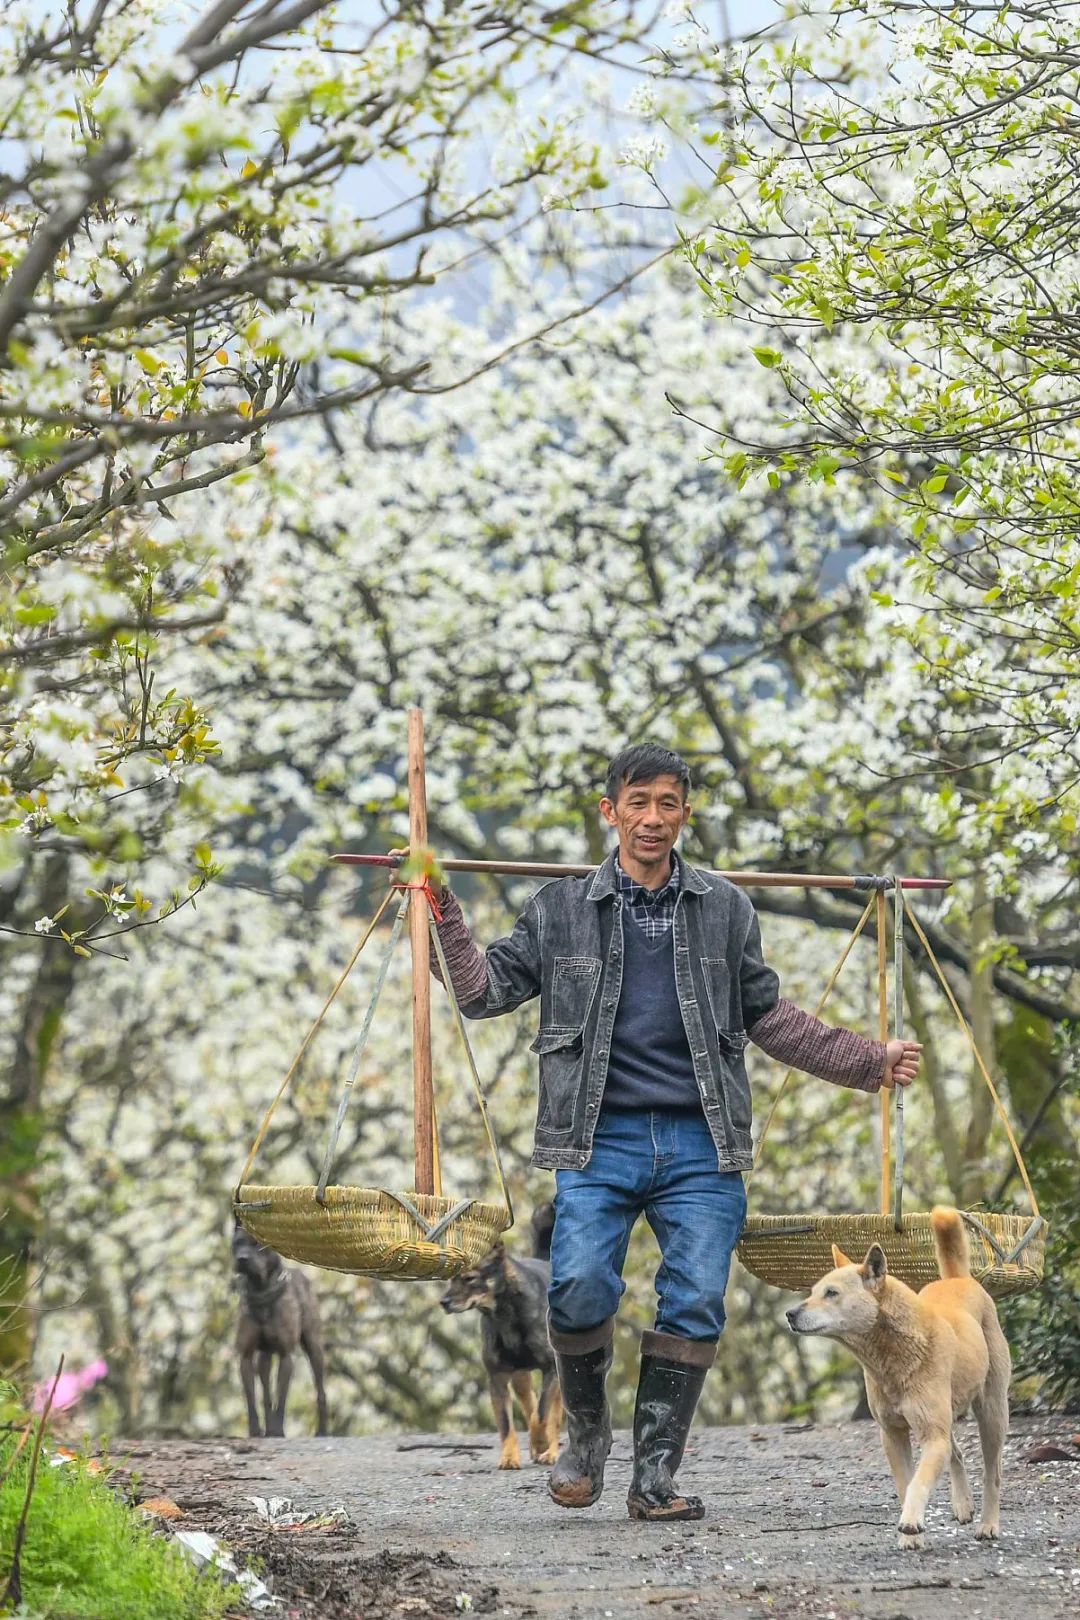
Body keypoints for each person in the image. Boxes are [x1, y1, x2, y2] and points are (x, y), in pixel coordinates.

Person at [404, 743, 921, 1523]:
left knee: (696, 1301)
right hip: (596, 1138)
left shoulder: (724, 909)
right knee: (576, 1288)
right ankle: (584, 1440)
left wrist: (867, 1061)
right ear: (610, 811)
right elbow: (482, 990)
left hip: (701, 1144)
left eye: (668, 804)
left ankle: (655, 1475)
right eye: (637, 803)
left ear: (685, 814)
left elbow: (770, 1018)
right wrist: (436, 902)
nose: (652, 819)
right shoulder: (560, 909)